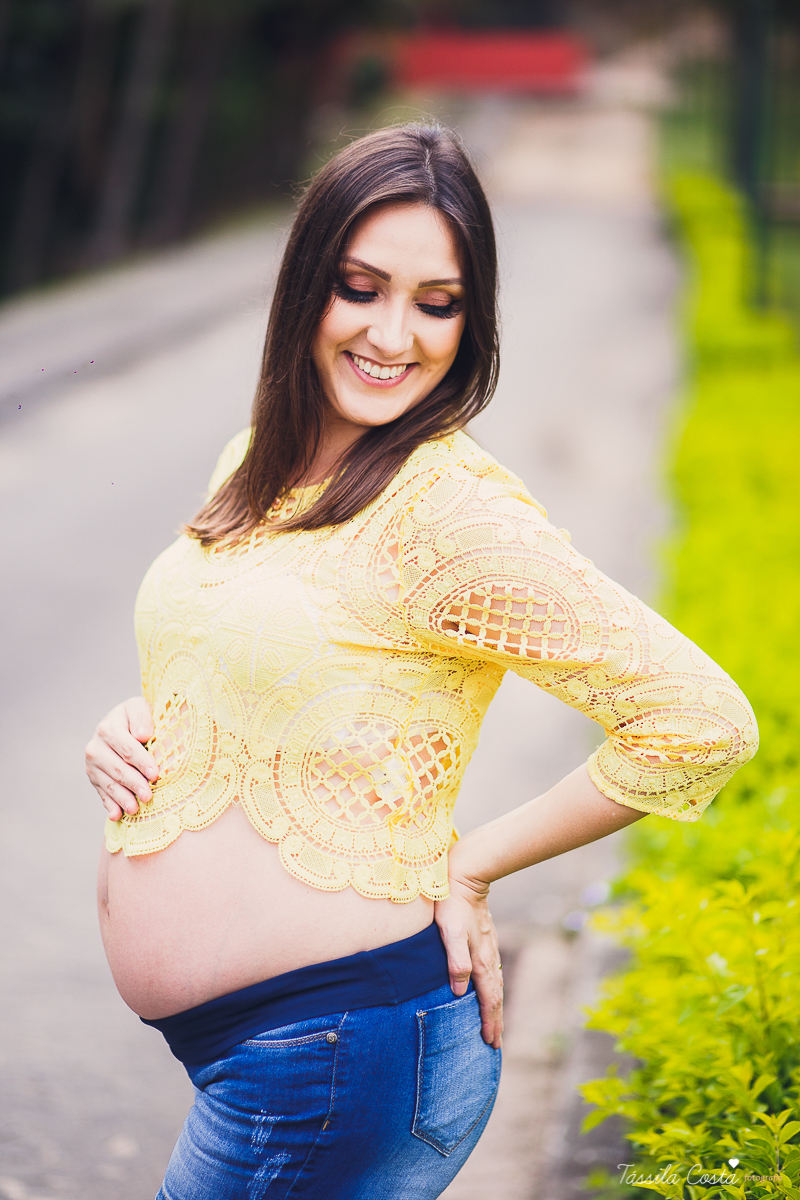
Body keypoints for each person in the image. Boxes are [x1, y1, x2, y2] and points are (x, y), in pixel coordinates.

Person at [85, 123, 758, 1200]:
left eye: (436, 303)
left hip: (341, 1054)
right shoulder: (256, 464)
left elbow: (699, 718)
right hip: (280, 1055)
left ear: (469, 320)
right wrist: (140, 722)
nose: (392, 335)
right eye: (359, 288)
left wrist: (473, 863)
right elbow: (251, 649)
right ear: (304, 285)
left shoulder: (449, 515)